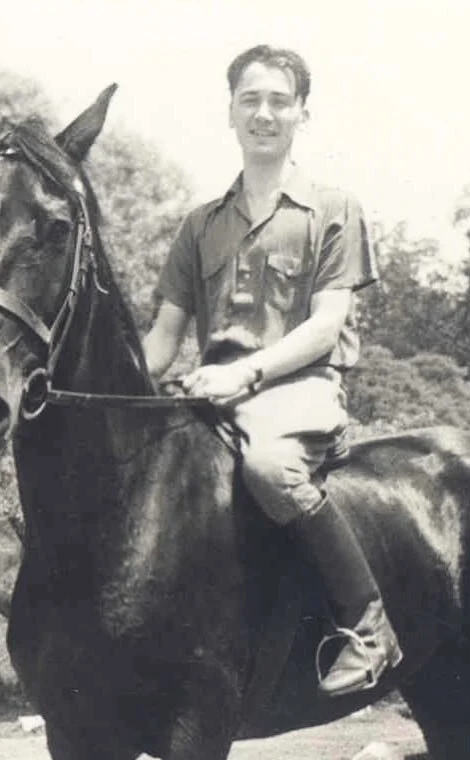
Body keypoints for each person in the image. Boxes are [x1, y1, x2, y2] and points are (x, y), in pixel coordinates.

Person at [142, 44, 402, 696]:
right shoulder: (199, 224)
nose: (263, 113)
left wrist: (246, 374)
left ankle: (369, 624)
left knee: (268, 467)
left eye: (278, 101)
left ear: (301, 115)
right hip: (209, 389)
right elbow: (163, 340)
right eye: (249, 100)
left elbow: (322, 327)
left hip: (298, 385)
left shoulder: (333, 208)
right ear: (229, 112)